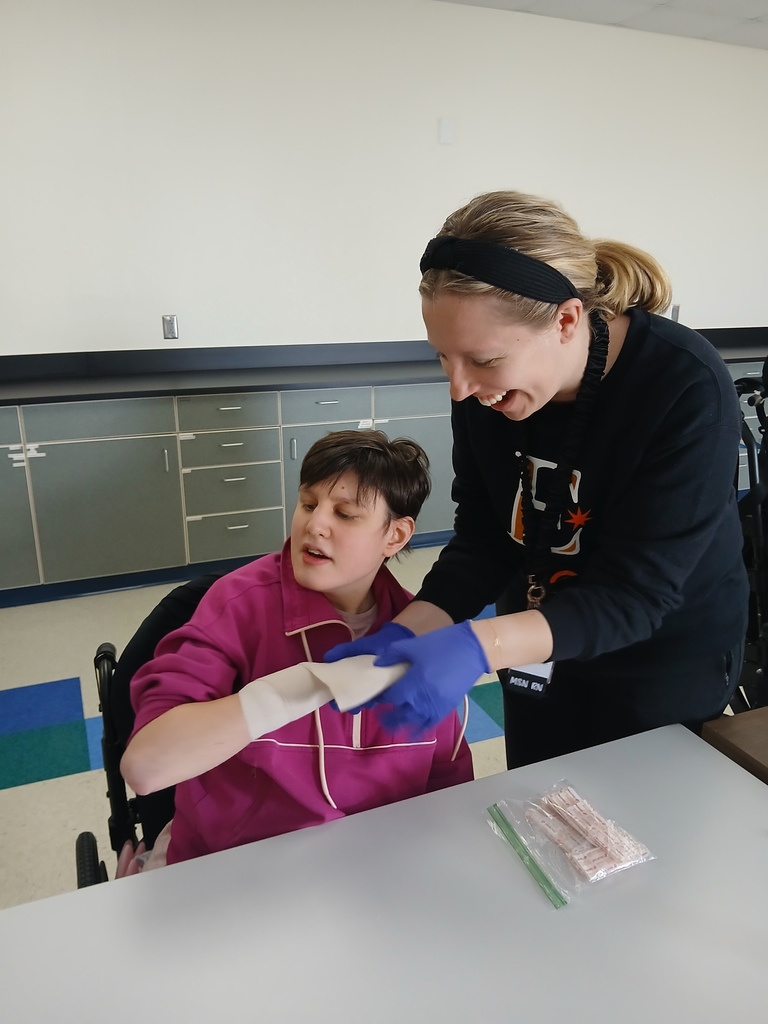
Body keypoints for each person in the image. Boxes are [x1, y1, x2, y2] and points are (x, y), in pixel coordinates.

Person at [326, 189, 749, 769]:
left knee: (638, 840)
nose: (459, 387)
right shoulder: (484, 388)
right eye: (442, 358)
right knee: (537, 816)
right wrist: (413, 628)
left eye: (481, 360)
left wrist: (476, 647)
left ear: (568, 319)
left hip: (656, 664)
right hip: (535, 644)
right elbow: (485, 535)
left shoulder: (683, 386)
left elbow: (635, 596)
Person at [119, 429, 473, 871]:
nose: (314, 524)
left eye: (344, 514)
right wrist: (309, 685)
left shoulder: (419, 635)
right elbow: (146, 765)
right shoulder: (237, 606)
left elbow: (448, 788)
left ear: (395, 536)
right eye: (308, 504)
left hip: (368, 877)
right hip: (231, 869)